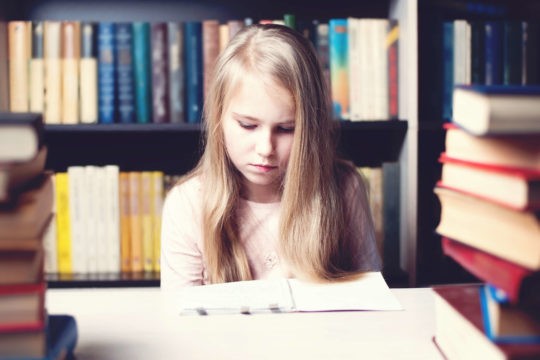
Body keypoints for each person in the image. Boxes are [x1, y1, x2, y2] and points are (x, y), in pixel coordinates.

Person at [160, 24, 381, 290]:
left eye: (286, 129)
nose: (266, 148)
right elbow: (181, 318)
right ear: (218, 117)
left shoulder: (345, 188)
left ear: (310, 129)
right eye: (248, 125)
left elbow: (369, 298)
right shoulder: (188, 203)